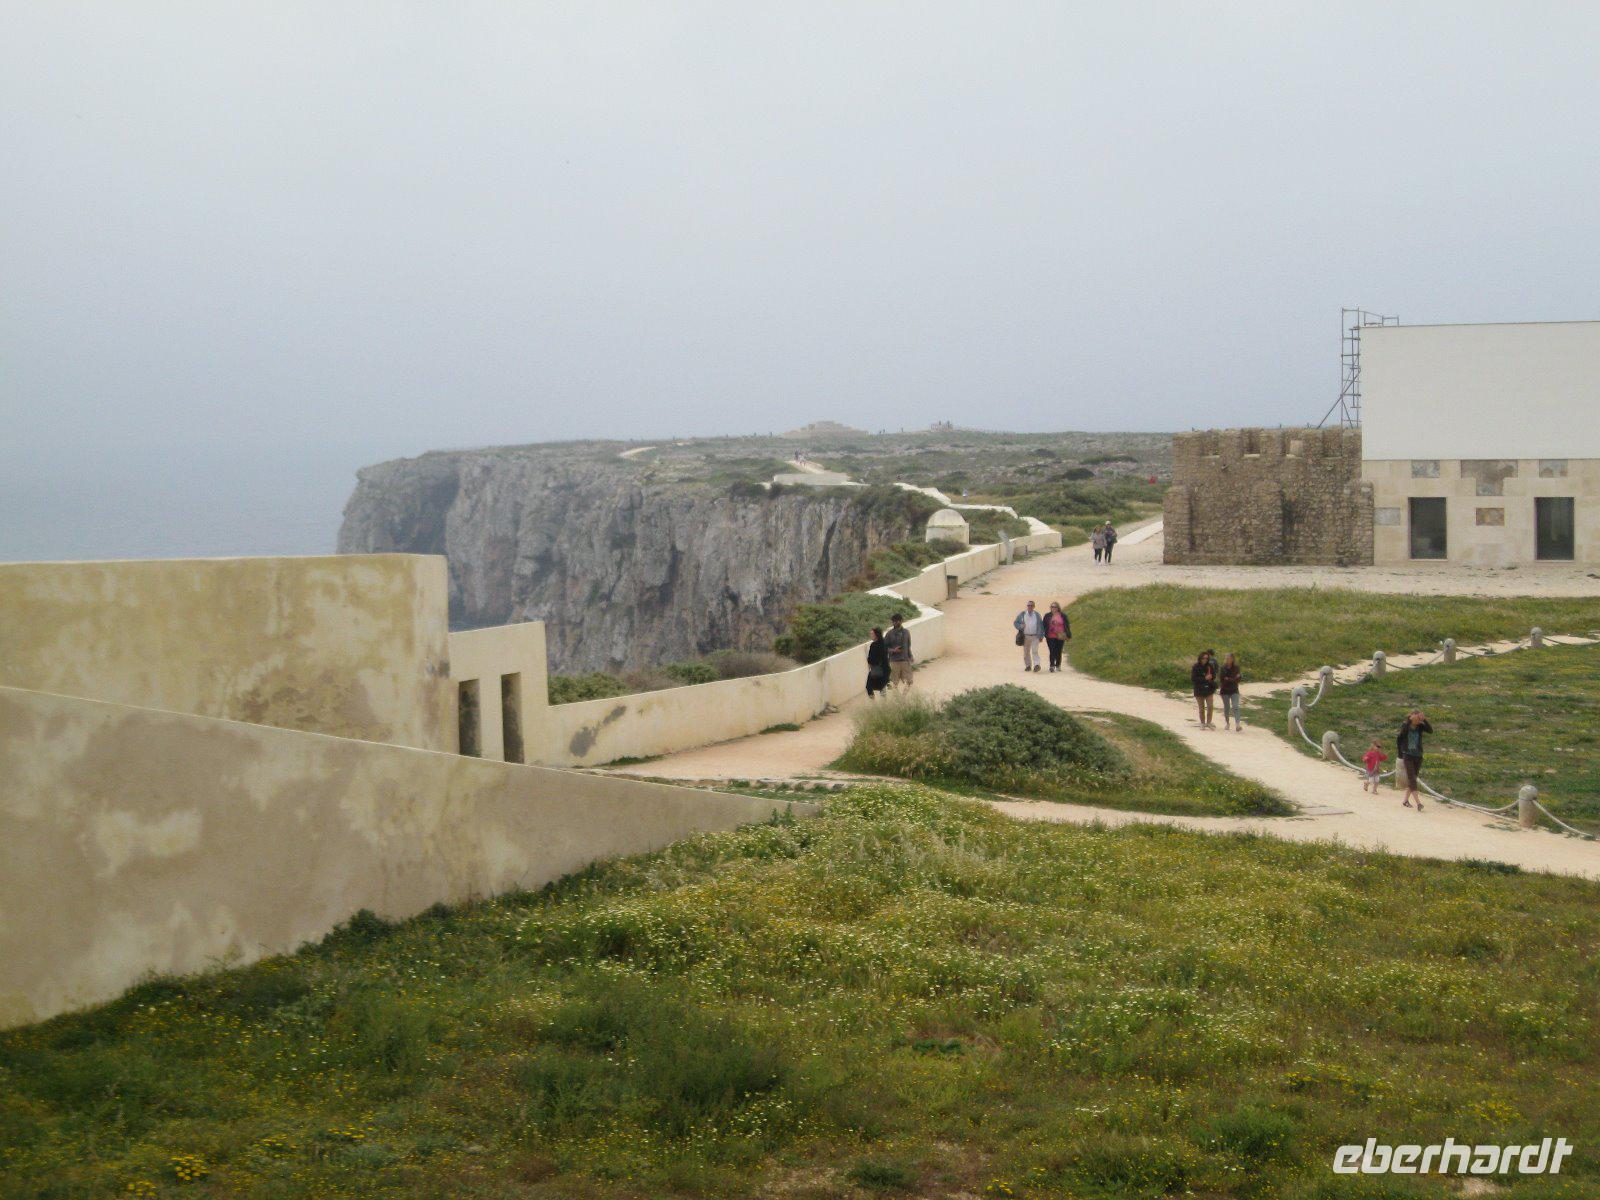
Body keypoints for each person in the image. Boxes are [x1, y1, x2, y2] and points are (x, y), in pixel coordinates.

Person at [1396, 709, 1433, 809]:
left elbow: (1430, 731)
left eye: (1419, 719)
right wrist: (1409, 720)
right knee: (1412, 778)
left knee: (1414, 778)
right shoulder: (1405, 725)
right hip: (1407, 755)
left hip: (1418, 755)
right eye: (1416, 719)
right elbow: (1401, 736)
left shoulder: (1420, 726)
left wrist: (1424, 720)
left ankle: (1405, 801)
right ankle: (1418, 803)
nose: (1417, 721)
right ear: (1412, 717)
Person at [1014, 600, 1046, 672]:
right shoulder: (1022, 614)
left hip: (1035, 636)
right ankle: (1028, 666)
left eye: (1031, 605)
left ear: (1034, 606)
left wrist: (1041, 636)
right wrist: (1020, 626)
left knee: (1035, 651)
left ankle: (1037, 665)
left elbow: (1041, 626)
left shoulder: (1037, 615)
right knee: (1026, 652)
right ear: (1027, 606)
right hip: (1025, 636)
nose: (1030, 607)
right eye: (1028, 605)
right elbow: (1015, 623)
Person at [884, 613, 913, 688]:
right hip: (894, 662)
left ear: (901, 621)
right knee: (894, 683)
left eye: (899, 621)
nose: (897, 622)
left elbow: (908, 646)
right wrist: (893, 650)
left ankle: (904, 695)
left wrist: (910, 656)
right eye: (895, 621)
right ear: (892, 622)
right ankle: (897, 695)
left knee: (909, 682)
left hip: (905, 660)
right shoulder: (889, 634)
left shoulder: (906, 632)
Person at [1190, 649, 1217, 728]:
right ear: (1200, 658)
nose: (1205, 660)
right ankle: (1202, 723)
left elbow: (1214, 675)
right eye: (1203, 658)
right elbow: (1193, 678)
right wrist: (1205, 678)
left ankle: (1208, 722)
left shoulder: (1210, 666)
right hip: (1199, 689)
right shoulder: (1196, 667)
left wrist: (1211, 677)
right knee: (1201, 708)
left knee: (1210, 706)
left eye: (1206, 658)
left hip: (1209, 689)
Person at [1044, 601, 1071, 671]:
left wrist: (1068, 635)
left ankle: (1058, 665)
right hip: (1050, 636)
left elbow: (1067, 625)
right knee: (1052, 650)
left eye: (1055, 607)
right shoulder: (1047, 615)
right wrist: (1044, 633)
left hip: (1060, 635)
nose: (1053, 608)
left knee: (1059, 651)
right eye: (1052, 607)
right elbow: (1044, 625)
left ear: (1058, 608)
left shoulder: (1063, 615)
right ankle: (1052, 665)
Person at [1218, 652, 1242, 730]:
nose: (1227, 660)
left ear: (1232, 659)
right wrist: (1234, 678)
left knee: (1236, 706)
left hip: (1234, 689)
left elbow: (1239, 678)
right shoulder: (1223, 668)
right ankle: (1227, 723)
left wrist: (1230, 679)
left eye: (1228, 658)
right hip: (1224, 690)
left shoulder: (1236, 667)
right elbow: (1222, 679)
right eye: (1226, 658)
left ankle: (1237, 724)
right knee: (1227, 707)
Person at [865, 627, 890, 698]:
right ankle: (884, 703)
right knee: (882, 688)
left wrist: (869, 661)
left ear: (876, 634)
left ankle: (874, 703)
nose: (871, 635)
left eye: (872, 634)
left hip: (877, 670)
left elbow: (872, 659)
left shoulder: (874, 645)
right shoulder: (884, 643)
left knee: (869, 687)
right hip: (885, 669)